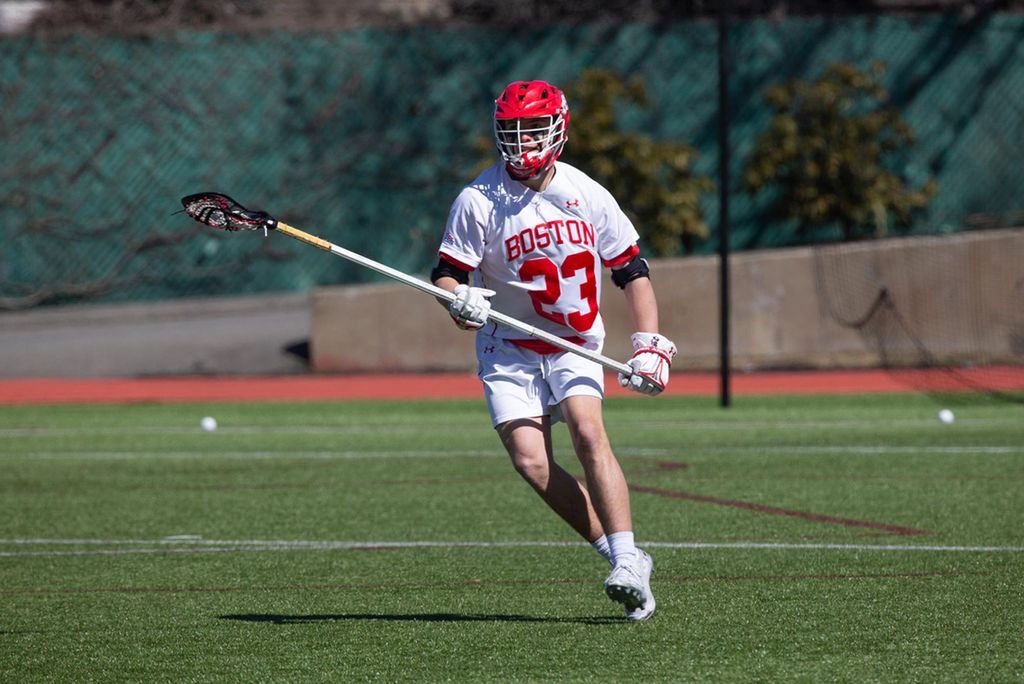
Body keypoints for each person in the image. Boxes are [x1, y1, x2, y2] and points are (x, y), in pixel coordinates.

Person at [430, 80, 677, 621]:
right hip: (508, 346)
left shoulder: (587, 193)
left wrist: (649, 342)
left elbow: (631, 271)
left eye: (533, 130)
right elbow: (447, 274)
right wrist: (459, 301)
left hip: (574, 341)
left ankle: (629, 560)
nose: (521, 143)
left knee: (589, 432)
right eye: (511, 131)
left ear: (558, 129)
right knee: (530, 461)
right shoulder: (478, 199)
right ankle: (620, 556)